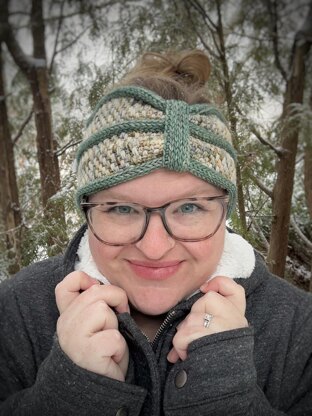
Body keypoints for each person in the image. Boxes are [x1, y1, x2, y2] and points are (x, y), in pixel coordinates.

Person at [0, 49, 311, 416]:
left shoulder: (299, 329)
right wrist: (71, 393)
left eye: (189, 207)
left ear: (224, 208)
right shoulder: (15, 313)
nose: (154, 247)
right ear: (86, 209)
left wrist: (224, 394)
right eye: (122, 209)